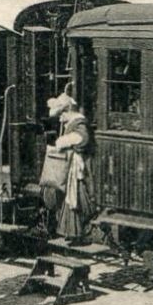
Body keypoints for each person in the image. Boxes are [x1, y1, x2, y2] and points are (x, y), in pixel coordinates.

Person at [47, 94, 95, 243]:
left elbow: (83, 139)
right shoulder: (73, 123)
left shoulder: (79, 123)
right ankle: (73, 233)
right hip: (73, 166)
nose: (60, 118)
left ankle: (80, 232)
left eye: (61, 114)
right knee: (71, 198)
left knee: (77, 197)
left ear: (67, 111)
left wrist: (63, 141)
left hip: (79, 167)